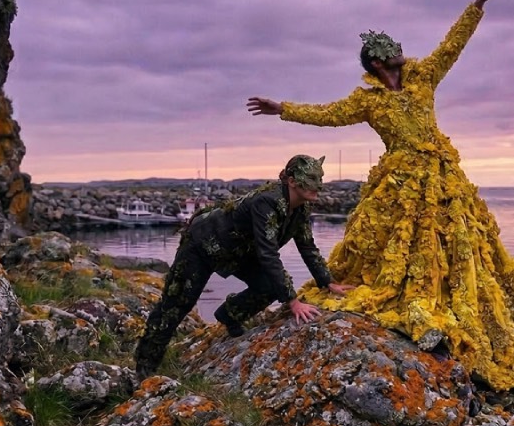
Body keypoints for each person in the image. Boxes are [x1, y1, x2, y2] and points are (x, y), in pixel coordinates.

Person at [247, 0, 514, 391]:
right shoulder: (367, 101)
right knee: (397, 243)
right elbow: (327, 114)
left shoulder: (423, 76)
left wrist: (478, 4)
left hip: (441, 178)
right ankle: (409, 298)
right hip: (400, 181)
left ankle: (455, 305)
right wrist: (283, 108)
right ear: (377, 62)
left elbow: (452, 45)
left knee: (456, 241)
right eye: (392, 48)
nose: (401, 50)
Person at [134, 155, 353, 379]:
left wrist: (327, 282)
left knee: (270, 286)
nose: (319, 185)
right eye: (312, 179)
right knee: (176, 305)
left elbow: (307, 246)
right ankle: (145, 365)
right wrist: (293, 302)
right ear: (292, 181)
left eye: (320, 178)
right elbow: (268, 253)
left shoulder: (301, 208)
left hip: (239, 251)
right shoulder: (266, 202)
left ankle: (229, 315)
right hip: (203, 244)